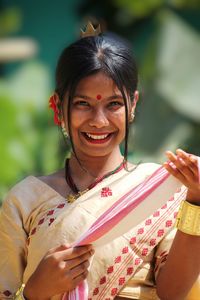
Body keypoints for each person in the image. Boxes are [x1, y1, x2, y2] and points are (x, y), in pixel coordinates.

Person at [0, 23, 199, 300]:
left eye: (114, 104)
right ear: (58, 107)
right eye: (83, 104)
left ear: (133, 105)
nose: (99, 121)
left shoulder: (161, 192)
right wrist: (34, 291)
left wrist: (196, 202)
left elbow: (173, 294)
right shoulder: (25, 201)